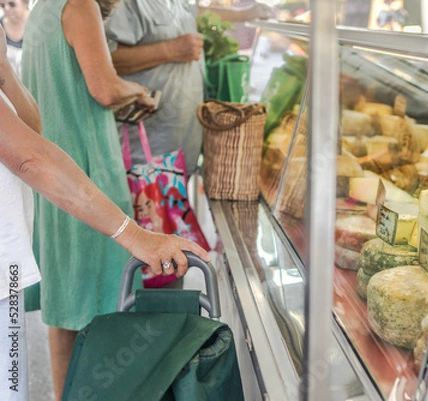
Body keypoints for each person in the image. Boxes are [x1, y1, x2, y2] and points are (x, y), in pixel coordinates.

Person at [0, 25, 209, 401]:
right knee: (10, 383)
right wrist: (136, 236)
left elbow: (31, 126)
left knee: (20, 371)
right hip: (22, 235)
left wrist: (2, 65)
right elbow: (29, 156)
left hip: (10, 259)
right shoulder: (79, 7)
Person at [103, 1, 273, 176]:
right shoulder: (125, 3)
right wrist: (170, 50)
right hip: (146, 148)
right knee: (142, 200)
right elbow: (107, 59)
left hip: (182, 142)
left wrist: (243, 14)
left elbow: (194, 12)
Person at [0, 0, 29, 75]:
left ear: (25, 3)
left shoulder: (38, 25)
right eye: (2, 5)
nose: (6, 8)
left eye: (12, 4)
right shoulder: (0, 27)